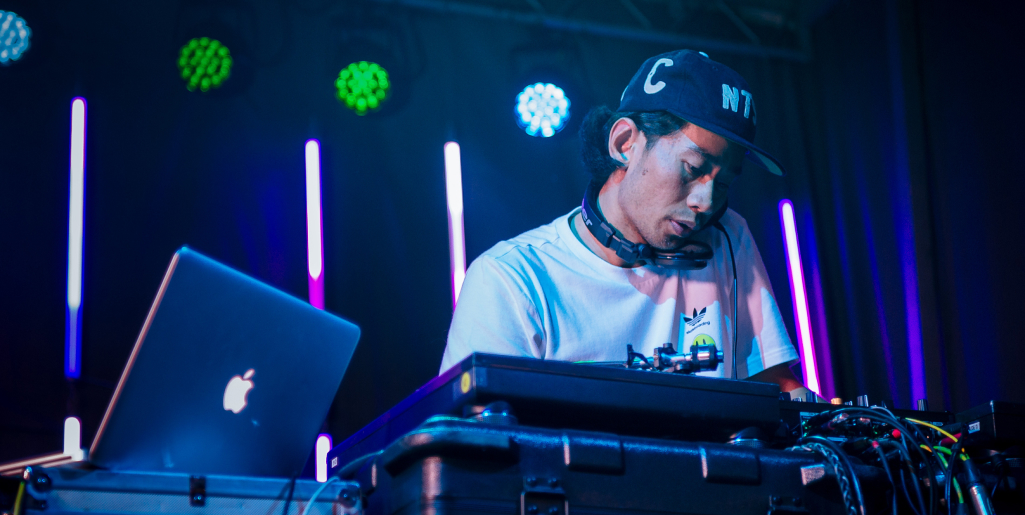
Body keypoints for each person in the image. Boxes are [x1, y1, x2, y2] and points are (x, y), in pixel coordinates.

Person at [440, 49, 817, 401]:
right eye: (693, 168)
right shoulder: (511, 280)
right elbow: (481, 447)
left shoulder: (727, 238)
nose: (706, 202)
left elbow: (779, 390)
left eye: (724, 182)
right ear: (624, 143)